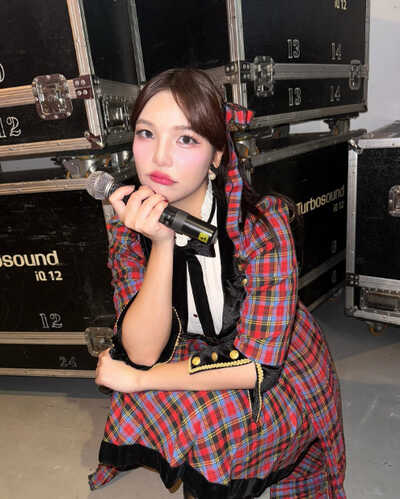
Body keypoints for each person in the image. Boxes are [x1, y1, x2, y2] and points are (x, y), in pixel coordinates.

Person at [89, 68, 346, 499]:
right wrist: (161, 244)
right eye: (146, 134)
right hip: (193, 346)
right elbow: (143, 352)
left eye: (186, 139)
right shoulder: (129, 226)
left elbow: (257, 368)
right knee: (142, 390)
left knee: (200, 421)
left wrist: (142, 380)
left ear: (217, 156)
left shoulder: (263, 226)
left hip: (270, 361)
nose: (159, 158)